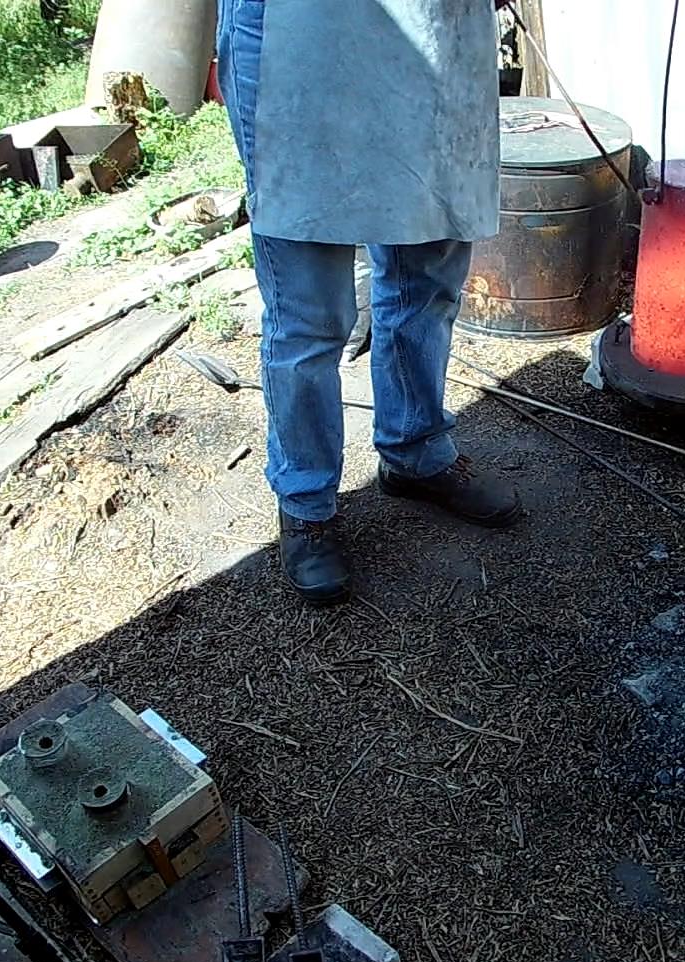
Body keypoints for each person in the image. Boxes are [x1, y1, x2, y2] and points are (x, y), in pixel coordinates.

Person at [216, 0, 520, 606]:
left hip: (435, 32)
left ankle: (416, 450)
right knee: (310, 313)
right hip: (298, 33)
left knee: (427, 277)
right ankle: (305, 503)